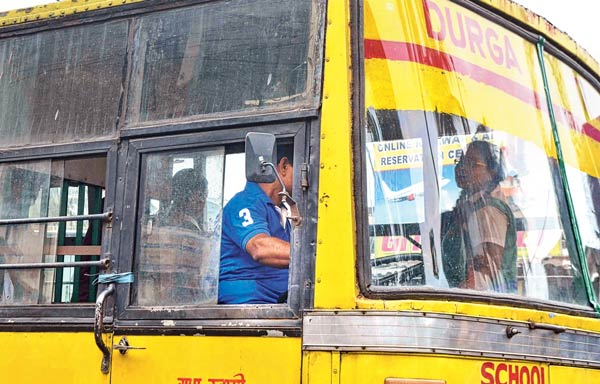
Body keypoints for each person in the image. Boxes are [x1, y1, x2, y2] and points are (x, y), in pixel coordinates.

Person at [218, 144, 294, 304]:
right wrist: (319, 256)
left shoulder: (280, 211)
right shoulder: (244, 203)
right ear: (284, 166)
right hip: (249, 306)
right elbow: (260, 248)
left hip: (279, 302)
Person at [442, 138, 517, 293]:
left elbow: (485, 274)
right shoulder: (469, 206)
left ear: (492, 172)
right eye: (461, 161)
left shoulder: (487, 210)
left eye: (472, 164)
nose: (462, 168)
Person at [138, 167, 217, 305]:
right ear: (192, 197)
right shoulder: (187, 230)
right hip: (179, 301)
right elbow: (191, 279)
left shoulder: (158, 222)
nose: (203, 203)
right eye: (202, 197)